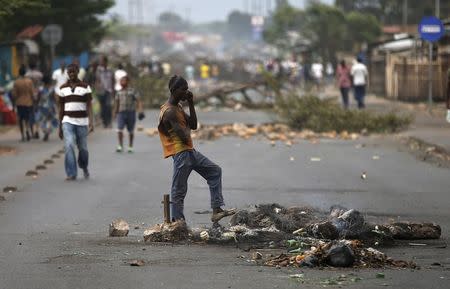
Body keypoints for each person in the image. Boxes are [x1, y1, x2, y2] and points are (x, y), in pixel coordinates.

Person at [157, 75, 235, 223]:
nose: (187, 92)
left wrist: (191, 103)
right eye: (183, 89)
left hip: (189, 152)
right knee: (178, 191)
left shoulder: (177, 107)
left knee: (214, 171)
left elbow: (193, 125)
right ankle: (177, 222)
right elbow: (185, 136)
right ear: (174, 90)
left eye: (187, 89)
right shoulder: (169, 112)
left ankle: (217, 209)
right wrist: (186, 126)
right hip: (181, 154)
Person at [58, 64, 94, 181]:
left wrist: (91, 122)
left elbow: (89, 105)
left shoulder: (85, 87)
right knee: (69, 145)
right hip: (67, 121)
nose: (71, 74)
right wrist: (60, 126)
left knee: (83, 149)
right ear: (67, 74)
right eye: (69, 72)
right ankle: (71, 173)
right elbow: (61, 107)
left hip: (82, 122)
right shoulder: (63, 88)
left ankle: (84, 166)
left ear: (78, 72)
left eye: (73, 72)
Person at [113, 75, 144, 153]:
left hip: (131, 113)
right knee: (119, 129)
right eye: (121, 81)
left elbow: (138, 101)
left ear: (127, 82)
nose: (122, 82)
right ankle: (120, 145)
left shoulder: (132, 91)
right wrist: (115, 113)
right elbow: (117, 103)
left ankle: (130, 146)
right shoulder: (118, 92)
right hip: (121, 113)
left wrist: (140, 111)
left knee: (131, 130)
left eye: (124, 80)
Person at [12, 65, 35, 141]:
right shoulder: (29, 81)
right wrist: (33, 101)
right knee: (27, 119)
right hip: (28, 102)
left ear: (19, 73)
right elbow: (32, 93)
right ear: (25, 73)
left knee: (20, 119)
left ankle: (23, 136)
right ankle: (27, 130)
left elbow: (14, 94)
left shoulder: (16, 82)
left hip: (19, 103)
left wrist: (13, 103)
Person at [36, 75, 58, 141]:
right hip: (50, 107)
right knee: (50, 120)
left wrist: (36, 105)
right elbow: (55, 98)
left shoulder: (40, 89)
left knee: (42, 120)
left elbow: (38, 98)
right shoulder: (52, 89)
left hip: (42, 107)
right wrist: (56, 105)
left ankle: (45, 131)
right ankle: (48, 131)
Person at [95, 56, 114, 128]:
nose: (101, 62)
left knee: (108, 107)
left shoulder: (110, 70)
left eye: (102, 61)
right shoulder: (99, 70)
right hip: (101, 91)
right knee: (103, 107)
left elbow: (112, 80)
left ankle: (109, 122)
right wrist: (97, 89)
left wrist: (113, 90)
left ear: (105, 62)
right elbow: (97, 80)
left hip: (108, 90)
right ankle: (104, 122)